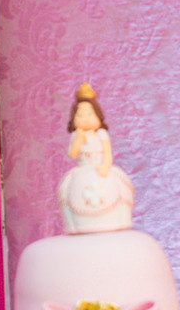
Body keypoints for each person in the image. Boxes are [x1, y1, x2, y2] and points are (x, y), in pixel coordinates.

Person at [56, 82, 134, 233]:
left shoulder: (101, 134)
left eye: (89, 114)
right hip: (82, 167)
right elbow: (72, 154)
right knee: (65, 191)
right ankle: (77, 225)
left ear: (98, 116)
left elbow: (107, 152)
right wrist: (78, 139)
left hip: (100, 166)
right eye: (80, 115)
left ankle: (118, 219)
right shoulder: (76, 135)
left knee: (121, 186)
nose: (85, 118)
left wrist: (105, 166)